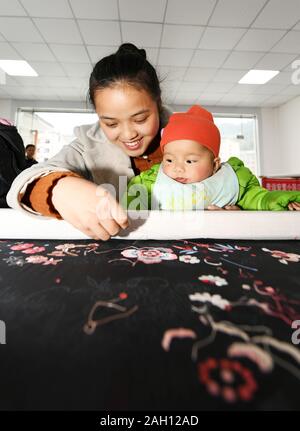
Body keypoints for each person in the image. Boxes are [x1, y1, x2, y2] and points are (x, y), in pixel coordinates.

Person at [7, 44, 237, 241]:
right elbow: (21, 185)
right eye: (111, 123)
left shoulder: (190, 137)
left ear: (158, 102)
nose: (128, 135)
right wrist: (58, 189)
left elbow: (231, 187)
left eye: (140, 119)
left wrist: (233, 210)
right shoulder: (87, 145)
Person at [124, 105, 300, 211]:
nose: (178, 168)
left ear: (215, 164)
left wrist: (279, 201)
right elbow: (129, 205)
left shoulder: (234, 181)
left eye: (190, 161)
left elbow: (260, 199)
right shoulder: (151, 183)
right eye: (169, 160)